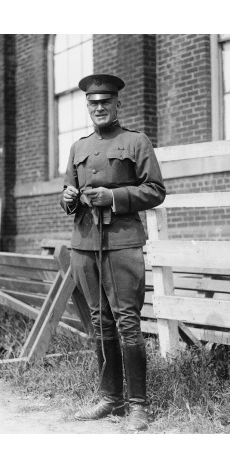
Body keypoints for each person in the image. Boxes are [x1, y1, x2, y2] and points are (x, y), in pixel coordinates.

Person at [60, 74, 166, 431]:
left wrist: (116, 198)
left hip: (122, 240)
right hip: (84, 243)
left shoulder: (136, 141)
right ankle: (110, 398)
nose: (99, 107)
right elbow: (68, 192)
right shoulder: (78, 147)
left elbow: (155, 190)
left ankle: (138, 405)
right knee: (98, 321)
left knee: (127, 323)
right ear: (87, 106)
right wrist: (68, 199)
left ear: (118, 104)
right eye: (93, 103)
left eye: (106, 101)